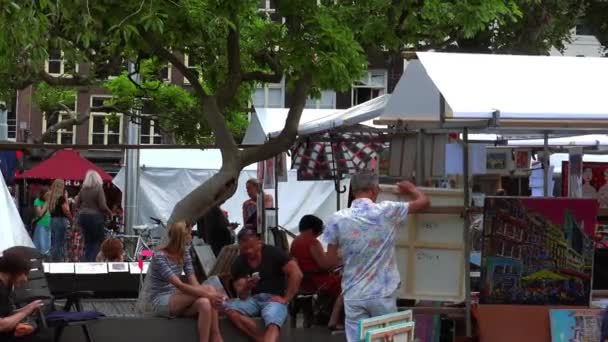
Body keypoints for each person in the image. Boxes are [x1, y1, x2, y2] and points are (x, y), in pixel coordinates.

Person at [322, 170, 430, 342]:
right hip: (382, 293)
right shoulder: (387, 210)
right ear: (374, 190)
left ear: (352, 191)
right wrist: (411, 189)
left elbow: (329, 261)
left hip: (353, 293)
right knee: (388, 338)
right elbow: (424, 202)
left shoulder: (336, 219)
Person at [148, 221, 224, 342]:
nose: (192, 236)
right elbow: (180, 285)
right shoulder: (160, 257)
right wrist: (210, 294)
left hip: (177, 298)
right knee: (208, 291)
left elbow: (194, 282)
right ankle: (216, 336)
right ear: (182, 237)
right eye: (190, 234)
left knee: (205, 302)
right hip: (162, 301)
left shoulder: (185, 253)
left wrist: (209, 296)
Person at [225, 229, 303, 342]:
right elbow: (241, 295)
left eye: (251, 247)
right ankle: (260, 339)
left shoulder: (274, 253)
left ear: (259, 242)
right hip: (253, 299)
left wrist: (286, 298)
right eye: (245, 249)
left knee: (272, 322)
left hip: (273, 298)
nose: (249, 251)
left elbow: (297, 273)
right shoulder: (240, 262)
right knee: (229, 309)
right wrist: (248, 286)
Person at [290, 214, 344, 330]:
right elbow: (326, 265)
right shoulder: (312, 242)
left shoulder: (296, 241)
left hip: (304, 280)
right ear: (312, 228)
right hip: (317, 281)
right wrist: (340, 260)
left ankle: (325, 314)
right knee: (345, 284)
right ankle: (337, 319)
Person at [0, 248, 45, 342]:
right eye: (24, 274)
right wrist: (26, 311)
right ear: (14, 270)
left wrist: (29, 308)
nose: (25, 279)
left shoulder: (6, 286)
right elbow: (2, 325)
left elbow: (6, 315)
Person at [75, 170, 112, 262]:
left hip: (83, 217)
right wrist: (109, 212)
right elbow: (102, 205)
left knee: (88, 242)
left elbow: (76, 203)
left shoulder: (83, 189)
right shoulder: (98, 188)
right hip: (95, 217)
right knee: (97, 242)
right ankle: (95, 262)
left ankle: (88, 261)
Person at [48, 179, 73, 262]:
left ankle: (53, 258)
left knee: (54, 241)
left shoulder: (51, 197)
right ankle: (59, 260)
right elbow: (66, 210)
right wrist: (71, 220)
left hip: (52, 220)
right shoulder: (61, 198)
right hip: (61, 220)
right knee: (60, 242)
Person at [31, 187, 51, 256]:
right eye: (47, 194)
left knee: (48, 243)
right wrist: (46, 203)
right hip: (41, 224)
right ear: (43, 194)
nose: (48, 196)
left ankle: (47, 257)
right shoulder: (37, 201)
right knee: (41, 243)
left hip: (49, 224)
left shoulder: (51, 202)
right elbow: (39, 214)